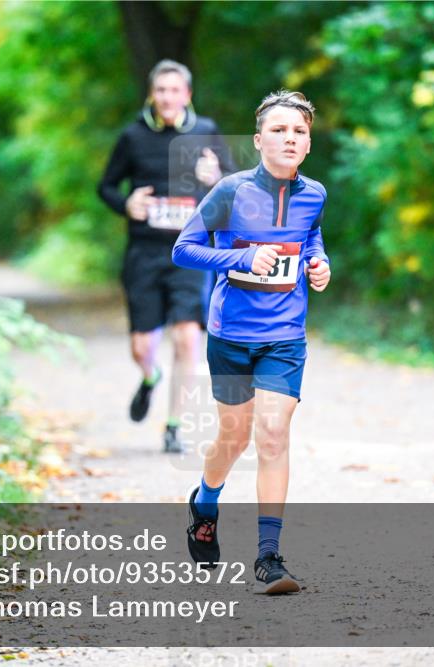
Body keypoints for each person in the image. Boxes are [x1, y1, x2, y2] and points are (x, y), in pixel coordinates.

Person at [172, 91, 330, 594]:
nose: (290, 138)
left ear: (309, 144)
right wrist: (241, 259)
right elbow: (184, 249)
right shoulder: (230, 191)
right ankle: (205, 501)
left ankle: (269, 557)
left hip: (284, 337)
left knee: (273, 433)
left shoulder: (315, 194)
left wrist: (320, 263)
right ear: (259, 140)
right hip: (231, 336)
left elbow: (311, 237)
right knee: (234, 437)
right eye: (279, 130)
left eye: (299, 131)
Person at [98, 59, 234, 454]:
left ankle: (174, 426)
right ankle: (150, 375)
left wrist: (215, 178)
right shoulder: (132, 137)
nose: (167, 97)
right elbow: (106, 186)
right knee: (142, 347)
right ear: (151, 94)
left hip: (191, 251)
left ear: (187, 95)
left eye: (175, 90)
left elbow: (234, 184)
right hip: (144, 251)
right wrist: (126, 204)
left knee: (188, 337)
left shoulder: (206, 131)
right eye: (160, 90)